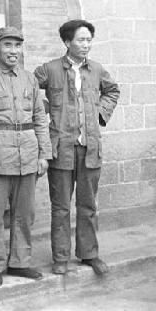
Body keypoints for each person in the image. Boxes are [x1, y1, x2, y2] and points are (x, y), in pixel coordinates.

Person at [0, 26, 52, 287]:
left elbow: (40, 118)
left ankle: (20, 262)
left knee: (24, 215)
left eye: (17, 45)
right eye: (7, 45)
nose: (13, 51)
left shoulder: (30, 79)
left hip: (27, 155)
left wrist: (43, 154)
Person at [34, 19, 120, 276]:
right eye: (81, 40)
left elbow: (113, 91)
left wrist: (99, 114)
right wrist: (45, 110)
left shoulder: (96, 70)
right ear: (67, 42)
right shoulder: (49, 70)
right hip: (61, 149)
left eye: (89, 40)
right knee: (60, 207)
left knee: (88, 205)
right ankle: (60, 257)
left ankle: (89, 254)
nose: (86, 45)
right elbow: (28, 90)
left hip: (89, 148)